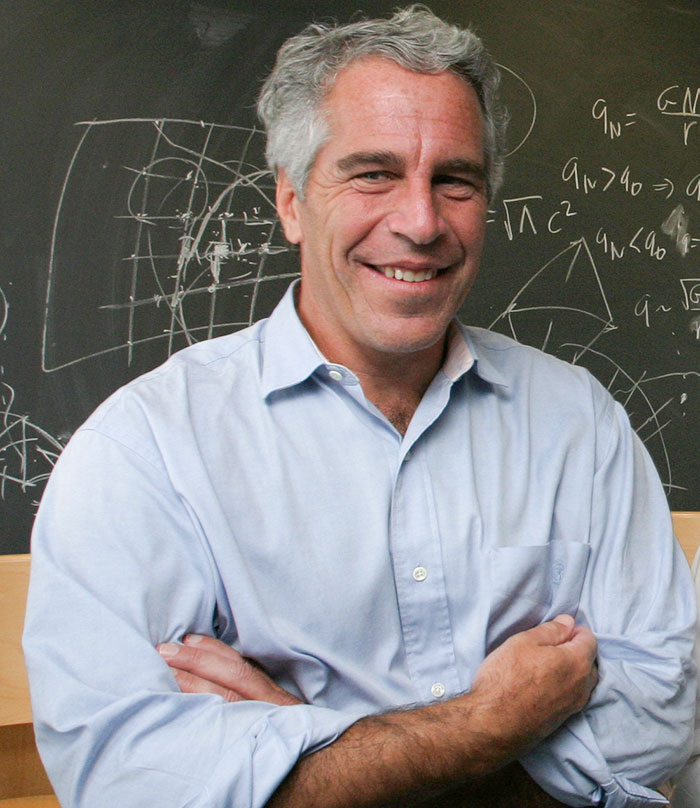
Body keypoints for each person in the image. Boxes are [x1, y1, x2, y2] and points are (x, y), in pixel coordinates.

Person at [23, 6, 696, 807]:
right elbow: (128, 778)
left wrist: (314, 756)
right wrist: (489, 723)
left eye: (455, 180)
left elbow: (665, 707)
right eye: (373, 173)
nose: (420, 222)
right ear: (291, 202)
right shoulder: (147, 451)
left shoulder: (579, 422)